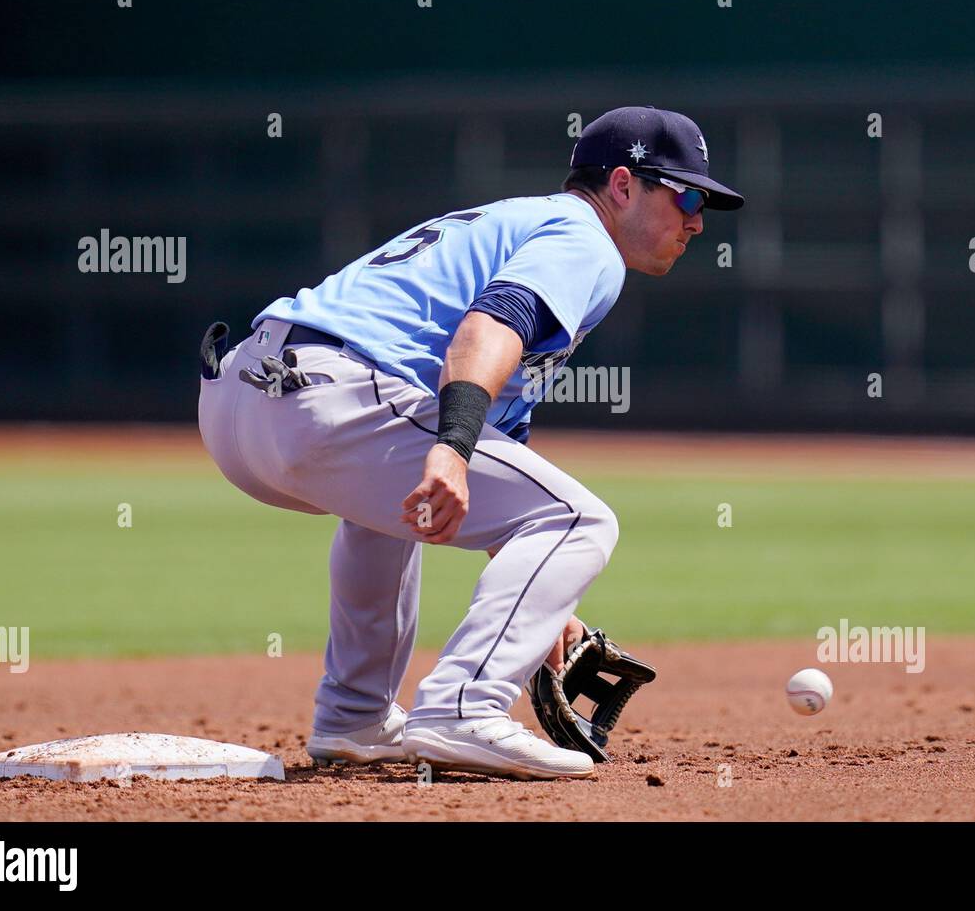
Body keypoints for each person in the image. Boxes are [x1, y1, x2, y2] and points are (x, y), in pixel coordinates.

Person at [197, 105, 744, 779]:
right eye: (686, 196)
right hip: (329, 392)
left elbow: (498, 456)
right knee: (580, 520)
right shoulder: (585, 240)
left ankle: (355, 718)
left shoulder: (518, 221)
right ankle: (463, 706)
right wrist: (452, 447)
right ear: (624, 185)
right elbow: (487, 330)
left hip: (244, 400)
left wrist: (544, 613)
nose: (697, 220)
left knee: (404, 505)